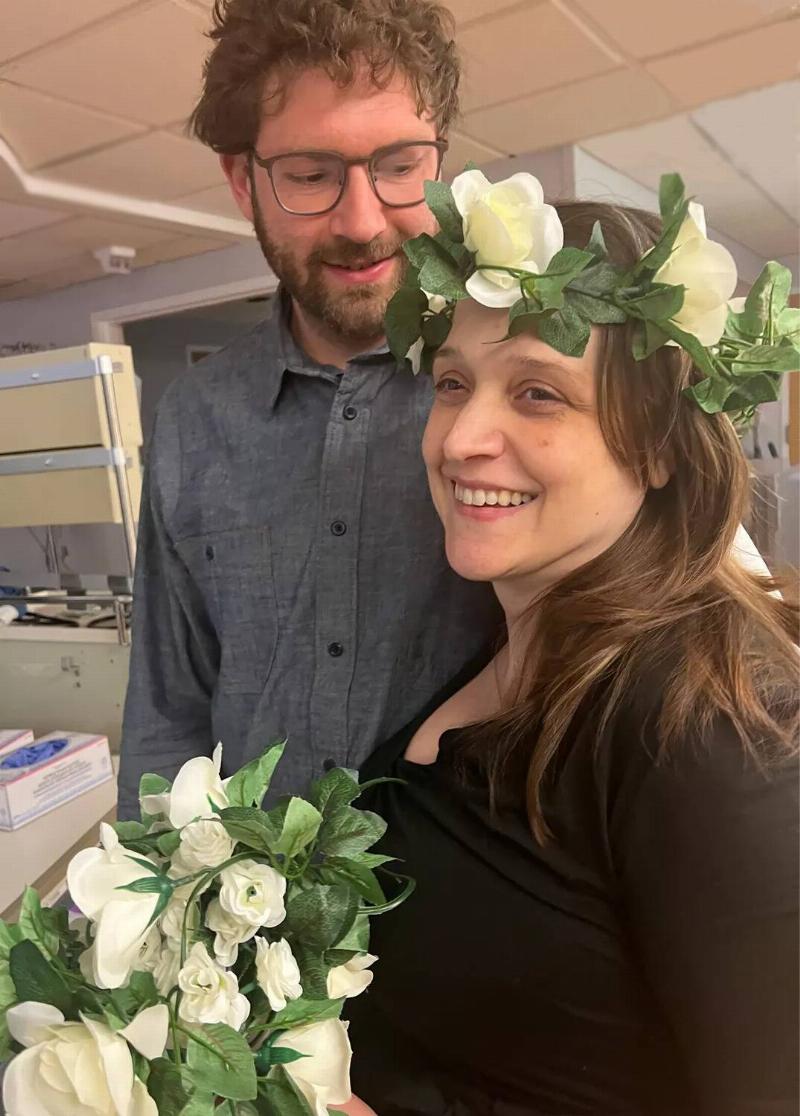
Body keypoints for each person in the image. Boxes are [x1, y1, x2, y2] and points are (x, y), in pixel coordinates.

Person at [345, 173, 800, 1114]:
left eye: (540, 393)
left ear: (663, 445)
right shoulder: (506, 638)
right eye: (455, 384)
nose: (464, 436)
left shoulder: (711, 726)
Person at [117, 0, 500, 820]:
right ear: (240, 178)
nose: (362, 222)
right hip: (250, 920)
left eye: (400, 164)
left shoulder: (515, 382)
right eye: (309, 175)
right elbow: (167, 708)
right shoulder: (193, 418)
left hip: (471, 906)